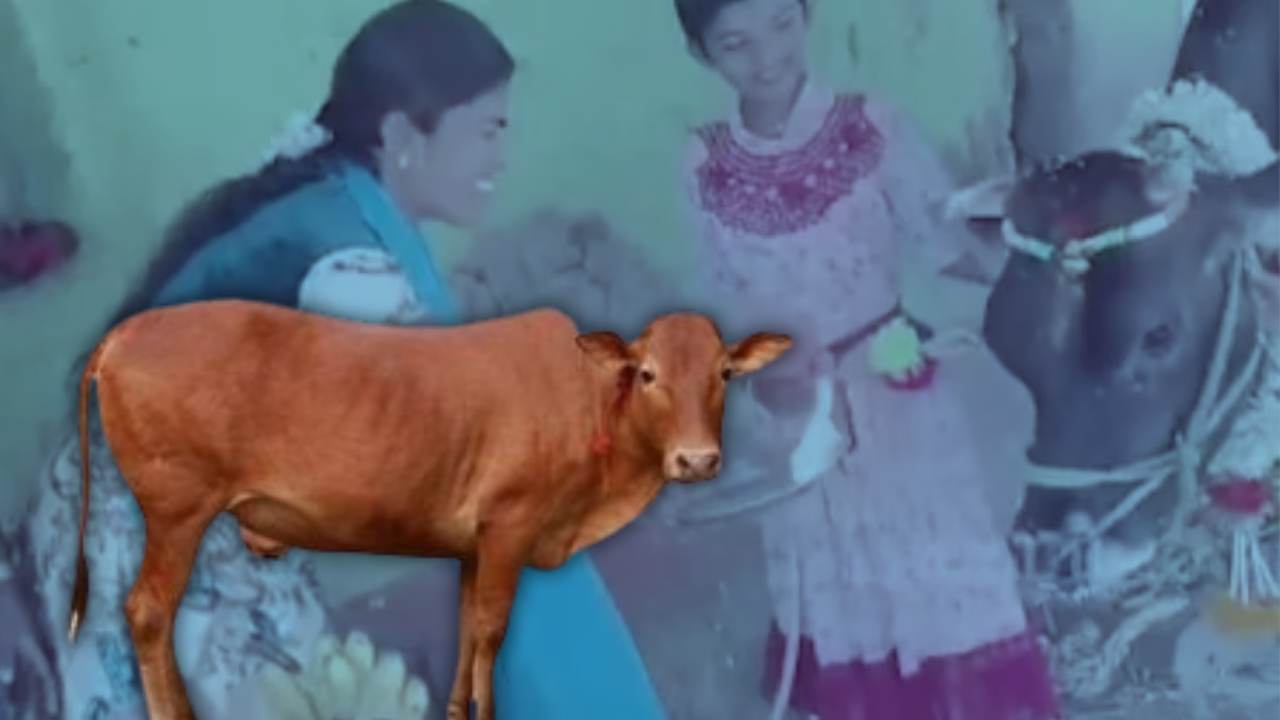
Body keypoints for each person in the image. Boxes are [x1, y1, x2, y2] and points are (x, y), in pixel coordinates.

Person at [25, 2, 667, 718]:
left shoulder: (324, 192)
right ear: (402, 137)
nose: (500, 158)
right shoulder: (348, 265)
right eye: (486, 131)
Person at [673, 0, 1062, 717]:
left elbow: (954, 250)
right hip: (796, 423)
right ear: (703, 54)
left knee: (944, 581)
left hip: (898, 394)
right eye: (736, 43)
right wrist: (767, 377)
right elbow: (719, 302)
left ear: (807, 16)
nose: (766, 58)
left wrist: (1023, 230)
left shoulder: (873, 126)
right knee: (838, 596)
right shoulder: (703, 164)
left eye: (782, 26)